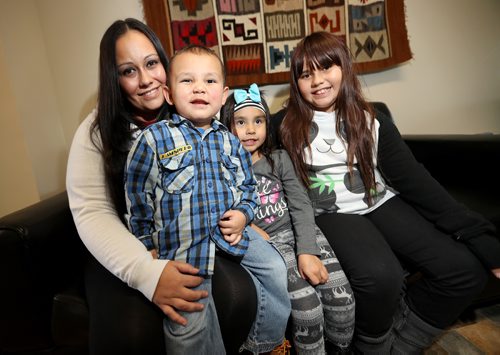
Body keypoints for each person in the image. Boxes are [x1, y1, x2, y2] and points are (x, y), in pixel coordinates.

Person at [277, 31, 500, 354]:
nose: (317, 80)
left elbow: (420, 185)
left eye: (326, 68)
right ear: (296, 82)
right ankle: (373, 346)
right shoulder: (282, 125)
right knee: (381, 276)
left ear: (344, 68)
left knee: (464, 271)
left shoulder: (372, 120)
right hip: (332, 213)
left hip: (380, 200)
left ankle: (398, 345)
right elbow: (244, 138)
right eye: (306, 73)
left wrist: (482, 238)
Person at [66, 18, 257, 354]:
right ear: (115, 79)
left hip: (186, 237)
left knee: (238, 294)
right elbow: (93, 213)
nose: (145, 80)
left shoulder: (190, 106)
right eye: (128, 71)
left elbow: (231, 174)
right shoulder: (95, 131)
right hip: (121, 246)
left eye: (152, 63)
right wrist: (146, 271)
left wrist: (246, 216)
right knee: (132, 333)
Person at [123, 45, 291, 354]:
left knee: (276, 268)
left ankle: (264, 345)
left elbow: (247, 188)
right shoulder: (154, 139)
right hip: (185, 243)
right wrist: (146, 244)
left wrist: (243, 215)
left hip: (230, 231)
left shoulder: (230, 141)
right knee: (191, 320)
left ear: (224, 94)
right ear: (169, 93)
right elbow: (137, 197)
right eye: (187, 81)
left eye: (210, 81)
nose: (200, 87)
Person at [220, 83, 355, 354]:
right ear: (226, 127)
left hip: (302, 233)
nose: (250, 130)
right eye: (240, 122)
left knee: (343, 302)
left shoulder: (279, 159)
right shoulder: (225, 172)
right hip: (271, 246)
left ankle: (340, 349)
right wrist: (250, 228)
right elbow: (222, 212)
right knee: (308, 311)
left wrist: (307, 248)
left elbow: (300, 204)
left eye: (258, 121)